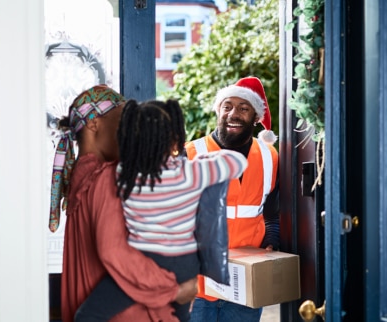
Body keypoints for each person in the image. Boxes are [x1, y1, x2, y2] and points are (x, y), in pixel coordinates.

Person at [74, 99, 248, 322]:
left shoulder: (122, 175)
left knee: (88, 315)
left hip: (143, 259)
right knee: (177, 317)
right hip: (184, 263)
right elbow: (237, 162)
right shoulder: (191, 172)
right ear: (174, 139)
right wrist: (205, 159)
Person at [51, 85, 198, 322]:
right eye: (123, 123)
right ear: (93, 124)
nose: (130, 133)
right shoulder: (108, 176)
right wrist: (175, 289)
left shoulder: (82, 175)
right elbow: (116, 251)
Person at [185, 77, 280, 322]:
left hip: (244, 284)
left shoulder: (270, 157)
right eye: (227, 106)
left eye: (243, 108)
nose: (233, 114)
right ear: (219, 110)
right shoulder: (191, 155)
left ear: (256, 117)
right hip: (196, 286)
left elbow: (273, 210)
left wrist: (272, 236)